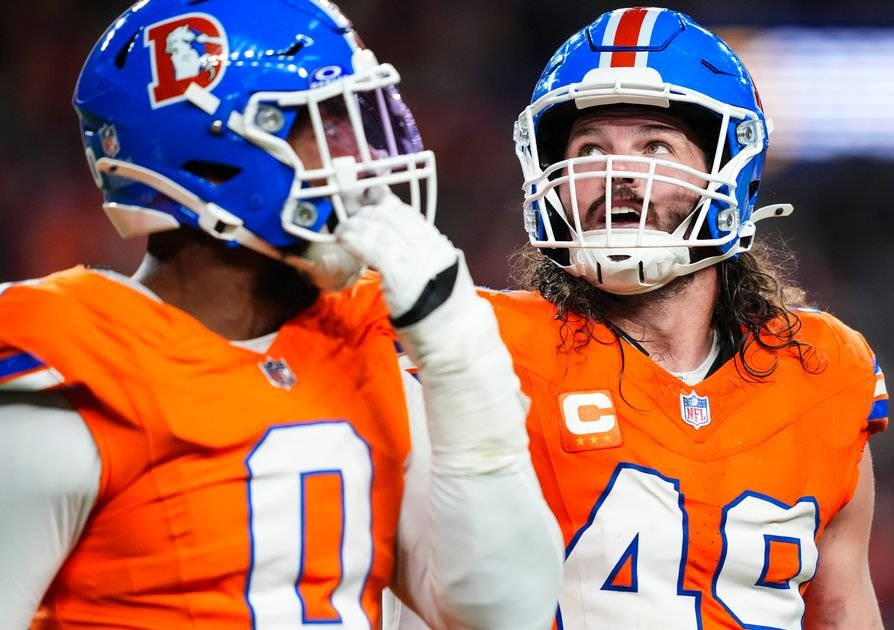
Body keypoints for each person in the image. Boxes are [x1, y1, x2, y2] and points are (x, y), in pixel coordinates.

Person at [0, 0, 561, 627]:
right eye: (326, 126)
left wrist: (461, 358)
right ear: (213, 158)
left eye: (357, 124)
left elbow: (506, 613)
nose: (362, 161)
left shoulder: (362, 341)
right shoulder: (74, 366)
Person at [493, 7, 890, 629]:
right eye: (589, 149)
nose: (619, 173)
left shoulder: (824, 372)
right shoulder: (488, 349)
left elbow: (843, 611)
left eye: (655, 145)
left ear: (728, 168)